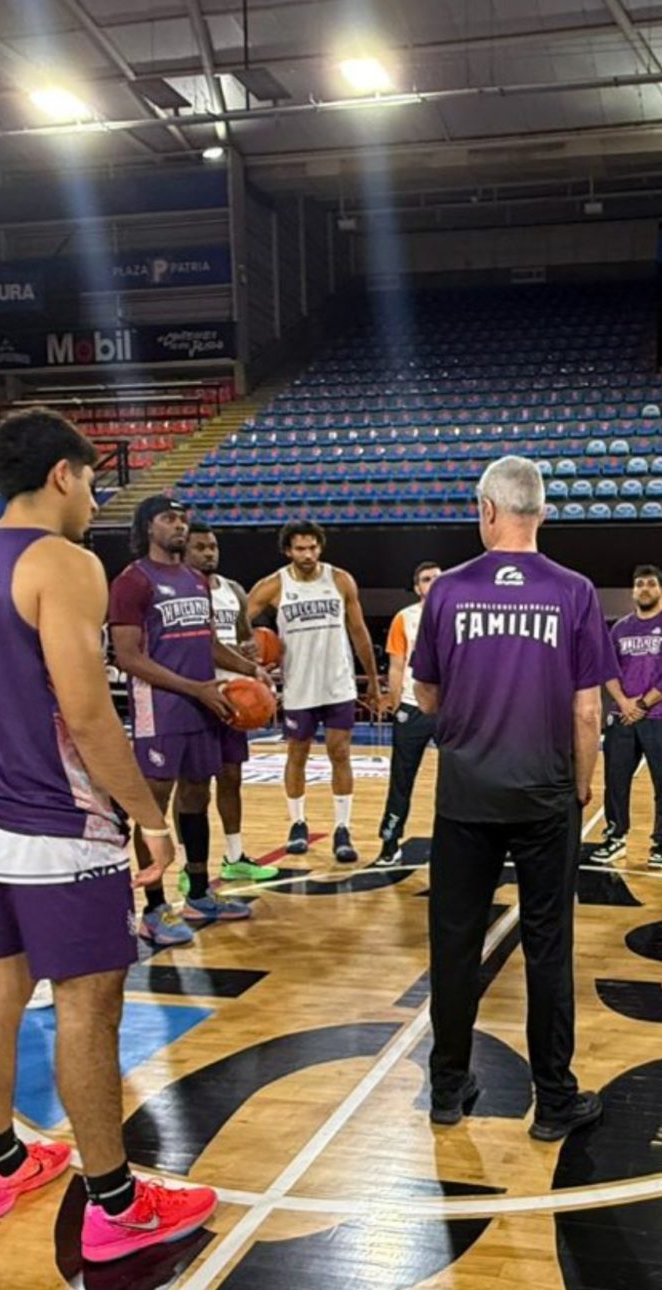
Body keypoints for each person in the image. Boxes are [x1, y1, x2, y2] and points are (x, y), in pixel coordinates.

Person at [0, 409, 218, 1261]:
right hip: (61, 823)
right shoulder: (64, 562)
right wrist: (148, 819)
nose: (94, 497)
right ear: (62, 474)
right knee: (88, 1013)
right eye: (92, 480)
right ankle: (117, 1203)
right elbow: (90, 714)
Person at [410, 455, 616, 1141]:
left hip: (466, 794)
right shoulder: (575, 590)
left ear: (488, 511)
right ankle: (554, 1100)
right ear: (542, 513)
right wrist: (581, 785)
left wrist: (466, 735)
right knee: (548, 947)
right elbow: (588, 713)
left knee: (454, 943)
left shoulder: (444, 591)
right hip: (545, 793)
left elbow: (426, 695)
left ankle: (446, 1088)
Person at [110, 493, 260, 933]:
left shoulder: (196, 580)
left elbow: (208, 643)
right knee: (154, 807)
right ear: (146, 526)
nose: (179, 526)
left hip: (203, 703)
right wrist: (193, 687)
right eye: (168, 519)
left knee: (198, 795)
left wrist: (251, 669)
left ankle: (197, 894)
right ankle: (153, 910)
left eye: (182, 519)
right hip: (159, 708)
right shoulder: (132, 581)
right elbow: (127, 657)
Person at [245, 518, 382, 864]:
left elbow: (359, 631)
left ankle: (342, 828)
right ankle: (298, 823)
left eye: (313, 547)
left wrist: (374, 682)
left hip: (337, 683)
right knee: (297, 755)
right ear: (288, 551)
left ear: (320, 548)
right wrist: (253, 657)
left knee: (340, 753)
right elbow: (239, 620)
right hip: (298, 686)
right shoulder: (273, 585)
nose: (308, 554)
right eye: (300, 548)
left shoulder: (339, 579)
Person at [185, 519, 276, 884]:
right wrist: (245, 664)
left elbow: (244, 638)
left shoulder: (233, 590)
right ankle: (192, 869)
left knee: (231, 779)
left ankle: (235, 856)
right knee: (192, 788)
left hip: (234, 699)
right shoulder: (180, 590)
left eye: (213, 547)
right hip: (196, 695)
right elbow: (196, 645)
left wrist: (251, 652)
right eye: (200, 547)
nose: (209, 553)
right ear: (184, 550)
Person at [585, 564, 662, 871]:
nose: (644, 588)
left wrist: (641, 706)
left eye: (651, 584)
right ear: (633, 590)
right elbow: (608, 669)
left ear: (661, 590)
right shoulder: (620, 629)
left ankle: (660, 843)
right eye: (640, 584)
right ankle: (616, 836)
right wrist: (622, 703)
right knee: (615, 781)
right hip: (622, 717)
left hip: (660, 716)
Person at [373, 560, 444, 867]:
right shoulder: (405, 617)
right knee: (401, 778)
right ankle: (390, 842)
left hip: (450, 709)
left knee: (459, 779)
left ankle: (457, 843)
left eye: (439, 578)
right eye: (427, 579)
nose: (433, 583)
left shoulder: (458, 613)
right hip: (413, 708)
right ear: (417, 588)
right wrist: (396, 700)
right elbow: (397, 664)